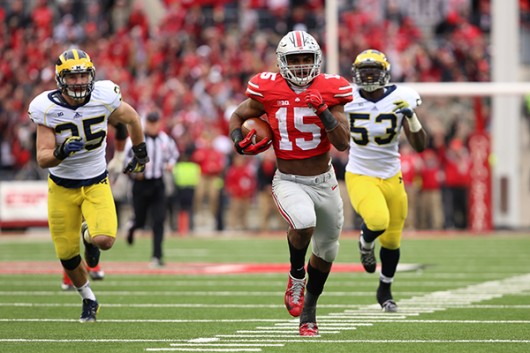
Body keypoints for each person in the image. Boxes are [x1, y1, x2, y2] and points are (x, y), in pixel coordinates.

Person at [228, 30, 353, 336]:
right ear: (282, 62)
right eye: (293, 60)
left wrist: (323, 110)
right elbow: (237, 114)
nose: (299, 66)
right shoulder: (267, 89)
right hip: (288, 179)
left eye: (305, 59)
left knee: (328, 250)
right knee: (303, 220)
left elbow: (343, 142)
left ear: (317, 60)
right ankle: (297, 276)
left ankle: (308, 313)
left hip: (325, 181)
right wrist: (238, 142)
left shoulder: (331, 89)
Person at [29, 48, 148, 322]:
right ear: (61, 79)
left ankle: (88, 236)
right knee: (67, 256)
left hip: (96, 180)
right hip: (61, 186)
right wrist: (61, 152)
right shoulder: (46, 108)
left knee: (104, 240)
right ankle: (88, 299)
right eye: (73, 77)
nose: (79, 82)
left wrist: (140, 153)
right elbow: (42, 158)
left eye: (83, 75)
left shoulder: (104, 96)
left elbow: (131, 119)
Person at [344, 49, 427, 312]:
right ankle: (365, 243)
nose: (368, 77)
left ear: (385, 74)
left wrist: (411, 117)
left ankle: (385, 290)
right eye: (364, 72)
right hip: (360, 173)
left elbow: (421, 146)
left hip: (392, 175)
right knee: (377, 221)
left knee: (392, 240)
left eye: (374, 72)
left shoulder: (402, 97)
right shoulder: (345, 98)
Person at [125, 111, 179, 268]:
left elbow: (174, 155)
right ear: (145, 123)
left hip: (157, 184)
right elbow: (126, 160)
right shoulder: (135, 139)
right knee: (141, 220)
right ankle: (133, 226)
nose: (153, 126)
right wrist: (135, 172)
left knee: (159, 220)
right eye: (150, 123)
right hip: (140, 185)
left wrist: (171, 164)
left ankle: (157, 256)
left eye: (155, 123)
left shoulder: (165, 139)